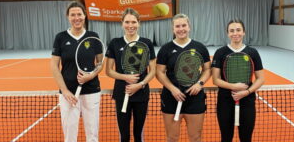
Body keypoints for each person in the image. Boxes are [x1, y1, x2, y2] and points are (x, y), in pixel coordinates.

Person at [50, 1, 104, 142]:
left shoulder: (93, 36)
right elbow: (54, 66)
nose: (76, 18)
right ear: (68, 17)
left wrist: (91, 75)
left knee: (92, 134)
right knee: (70, 135)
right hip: (68, 94)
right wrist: (65, 91)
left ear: (85, 16)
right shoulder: (60, 37)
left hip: (91, 91)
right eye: (73, 15)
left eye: (79, 14)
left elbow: (100, 63)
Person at [156, 13, 211, 142]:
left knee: (195, 137)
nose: (181, 29)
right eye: (177, 26)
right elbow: (159, 72)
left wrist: (199, 83)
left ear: (189, 27)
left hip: (195, 99)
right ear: (173, 29)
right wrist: (172, 89)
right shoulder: (165, 49)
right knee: (172, 137)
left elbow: (208, 69)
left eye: (184, 25)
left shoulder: (200, 48)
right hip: (171, 98)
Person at [105, 8, 156, 142]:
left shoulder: (147, 43)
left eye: (133, 22)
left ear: (139, 23)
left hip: (141, 94)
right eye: (127, 22)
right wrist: (125, 77)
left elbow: (153, 70)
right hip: (121, 93)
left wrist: (140, 85)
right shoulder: (115, 43)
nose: (130, 25)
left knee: (138, 135)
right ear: (122, 23)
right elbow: (108, 70)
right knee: (124, 136)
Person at [211, 19, 265, 142]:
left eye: (238, 30)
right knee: (226, 137)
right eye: (232, 31)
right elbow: (215, 79)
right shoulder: (220, 52)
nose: (235, 33)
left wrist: (246, 92)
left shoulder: (252, 52)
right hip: (225, 101)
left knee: (246, 138)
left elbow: (261, 78)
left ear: (244, 32)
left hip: (247, 100)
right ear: (227, 33)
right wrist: (234, 87)